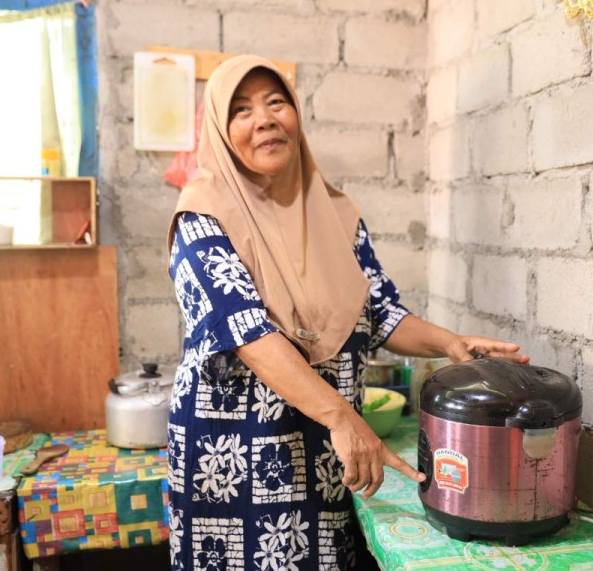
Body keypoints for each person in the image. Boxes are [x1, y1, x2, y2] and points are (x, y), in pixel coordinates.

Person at [166, 54, 530, 571]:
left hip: (326, 448)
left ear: (296, 115)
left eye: (276, 102)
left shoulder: (337, 216)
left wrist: (449, 343)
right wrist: (344, 418)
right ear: (220, 132)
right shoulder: (201, 219)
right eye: (241, 110)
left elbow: (379, 311)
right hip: (236, 455)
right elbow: (246, 331)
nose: (264, 119)